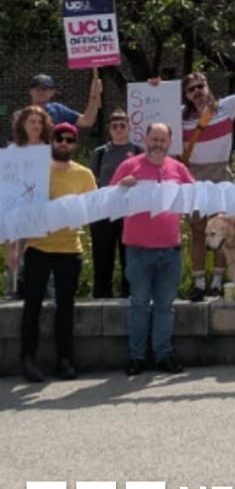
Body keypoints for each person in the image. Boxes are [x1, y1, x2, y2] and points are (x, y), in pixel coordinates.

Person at [174, 45, 235, 301]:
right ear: (186, 95)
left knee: (222, 229)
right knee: (198, 231)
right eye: (191, 89)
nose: (197, 92)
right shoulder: (179, 116)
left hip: (220, 174)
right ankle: (199, 283)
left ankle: (216, 282)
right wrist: (155, 89)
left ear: (207, 87)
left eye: (200, 86)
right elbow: (152, 118)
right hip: (193, 175)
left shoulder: (225, 107)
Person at [111, 122, 195, 375]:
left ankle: (163, 355)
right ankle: (136, 357)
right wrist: (121, 187)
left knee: (165, 306)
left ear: (170, 143)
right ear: (145, 139)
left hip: (171, 250)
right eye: (154, 139)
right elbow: (109, 201)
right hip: (138, 250)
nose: (157, 144)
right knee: (138, 305)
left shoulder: (178, 168)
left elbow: (195, 196)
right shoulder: (128, 166)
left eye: (162, 140)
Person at [18, 123, 98, 382]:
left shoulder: (84, 174)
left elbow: (92, 210)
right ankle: (28, 359)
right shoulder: (35, 171)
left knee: (66, 306)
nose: (64, 143)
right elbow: (19, 204)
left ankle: (64, 360)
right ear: (51, 141)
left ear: (75, 144)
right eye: (59, 139)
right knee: (32, 305)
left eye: (69, 140)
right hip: (38, 247)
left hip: (69, 249)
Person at [88, 109, 143, 298]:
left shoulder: (138, 152)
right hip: (104, 212)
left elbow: (146, 179)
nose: (118, 129)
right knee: (102, 257)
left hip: (130, 212)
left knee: (130, 257)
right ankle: (101, 295)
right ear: (109, 129)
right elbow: (91, 182)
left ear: (129, 128)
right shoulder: (100, 153)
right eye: (114, 126)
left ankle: (129, 295)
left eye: (122, 126)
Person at [7, 105, 54, 298]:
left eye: (40, 122)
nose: (36, 125)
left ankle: (50, 298)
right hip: (18, 213)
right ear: (22, 124)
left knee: (48, 261)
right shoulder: (12, 151)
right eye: (32, 121)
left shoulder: (51, 151)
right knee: (16, 261)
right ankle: (13, 297)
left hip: (45, 213)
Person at [25, 72, 102, 130]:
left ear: (52, 92)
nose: (41, 92)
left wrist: (94, 96)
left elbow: (86, 121)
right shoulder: (22, 116)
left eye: (44, 89)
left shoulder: (58, 110)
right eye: (37, 89)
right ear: (30, 91)